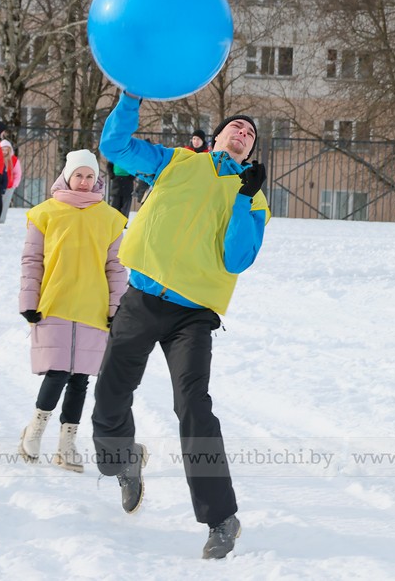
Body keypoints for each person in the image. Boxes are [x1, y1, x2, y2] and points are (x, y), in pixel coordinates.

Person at [92, 93, 270, 560]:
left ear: (251, 151)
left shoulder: (254, 199)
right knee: (110, 392)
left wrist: (244, 198)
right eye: (236, 126)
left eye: (250, 134)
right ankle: (122, 460)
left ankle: (221, 518)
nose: (243, 132)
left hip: (193, 315)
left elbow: (237, 258)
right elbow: (115, 146)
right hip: (143, 298)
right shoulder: (176, 162)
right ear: (218, 136)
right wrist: (131, 96)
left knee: (193, 406)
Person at [18, 149, 128, 472]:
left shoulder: (110, 219)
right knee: (57, 373)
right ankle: (35, 429)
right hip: (55, 304)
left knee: (80, 379)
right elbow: (32, 261)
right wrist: (29, 301)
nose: (84, 181)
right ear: (67, 176)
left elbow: (116, 268)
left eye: (90, 176)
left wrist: (116, 307)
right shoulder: (45, 214)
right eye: (79, 175)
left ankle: (66, 444)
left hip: (93, 308)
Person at [0, 139, 22, 224]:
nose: (5, 152)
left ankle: (1, 220)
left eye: (7, 150)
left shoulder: (14, 160)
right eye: (3, 149)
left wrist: (14, 185)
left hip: (9, 186)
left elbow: (18, 173)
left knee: (5, 204)